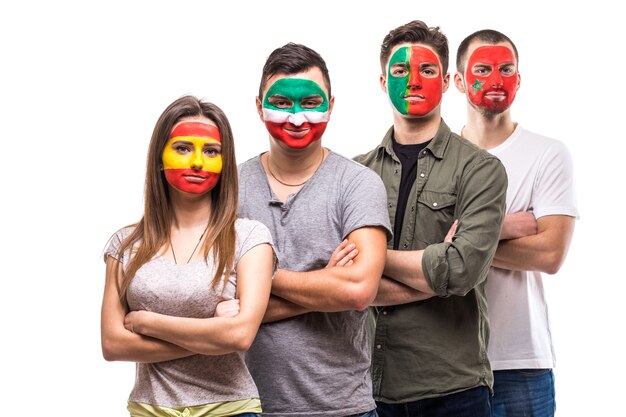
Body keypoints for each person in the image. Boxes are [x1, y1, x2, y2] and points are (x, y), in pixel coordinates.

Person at [354, 20, 507, 416]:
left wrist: (369, 257)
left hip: (455, 389)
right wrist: (433, 265)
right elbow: (338, 281)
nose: (414, 82)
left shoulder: (481, 170)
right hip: (367, 387)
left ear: (444, 82)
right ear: (383, 80)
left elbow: (461, 270)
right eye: (401, 71)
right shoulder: (355, 174)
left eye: (427, 70)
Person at [237, 42, 392, 417]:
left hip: (343, 408)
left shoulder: (358, 184)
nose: (296, 118)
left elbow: (357, 289)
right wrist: (325, 282)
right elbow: (215, 299)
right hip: (247, 407)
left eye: (310, 103)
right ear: (259, 107)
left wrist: (257, 281)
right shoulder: (230, 188)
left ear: (331, 106)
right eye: (281, 103)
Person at [100, 95, 275, 417]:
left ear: (224, 163)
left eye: (211, 151)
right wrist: (212, 332)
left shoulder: (249, 238)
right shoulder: (125, 246)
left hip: (231, 408)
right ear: (159, 158)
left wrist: (146, 322)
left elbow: (240, 335)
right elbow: (113, 346)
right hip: (149, 409)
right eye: (183, 148)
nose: (197, 161)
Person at [454, 29, 578, 417]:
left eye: (506, 69)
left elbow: (551, 254)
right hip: (449, 362)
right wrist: (508, 226)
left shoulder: (548, 153)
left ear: (519, 79)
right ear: (458, 81)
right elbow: (420, 247)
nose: (495, 80)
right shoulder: (438, 157)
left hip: (522, 361)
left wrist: (460, 239)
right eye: (482, 69)